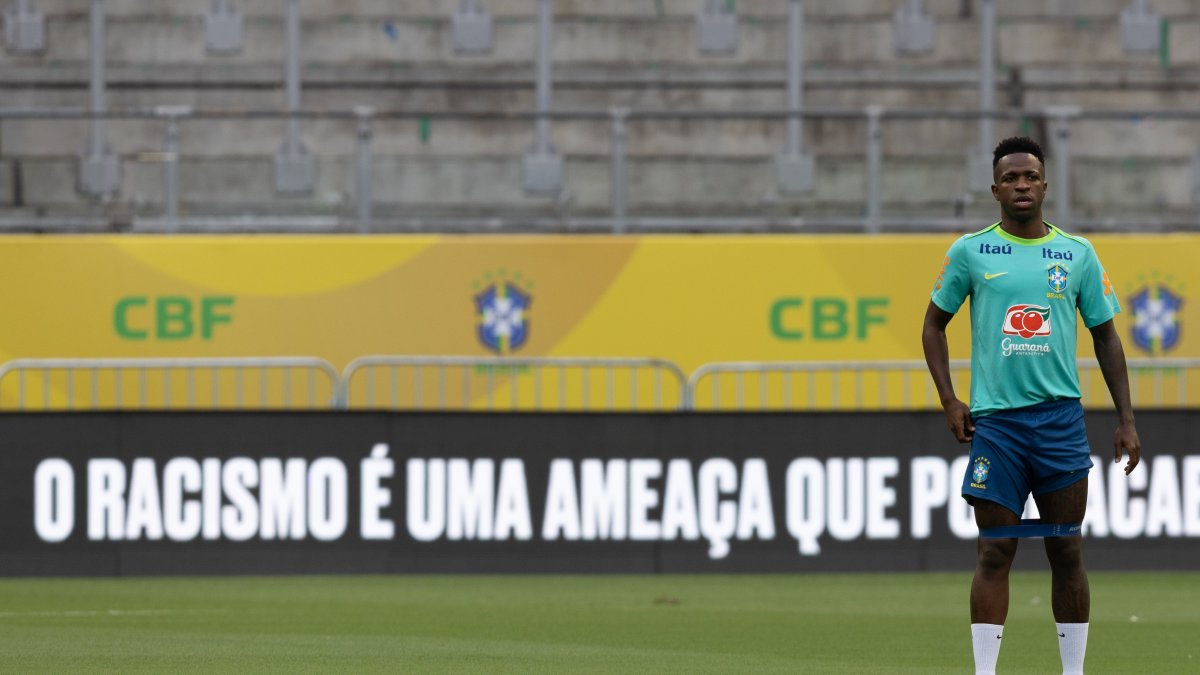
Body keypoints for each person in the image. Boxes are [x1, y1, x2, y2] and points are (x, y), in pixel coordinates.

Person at [921, 136, 1141, 675]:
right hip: (996, 424)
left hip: (1060, 420)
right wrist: (950, 399)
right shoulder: (970, 251)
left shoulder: (1077, 253)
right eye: (1011, 178)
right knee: (995, 550)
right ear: (995, 188)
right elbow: (933, 324)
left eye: (1031, 176)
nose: (1022, 185)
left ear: (1045, 185)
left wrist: (1127, 419)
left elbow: (1106, 337)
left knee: (1066, 550)